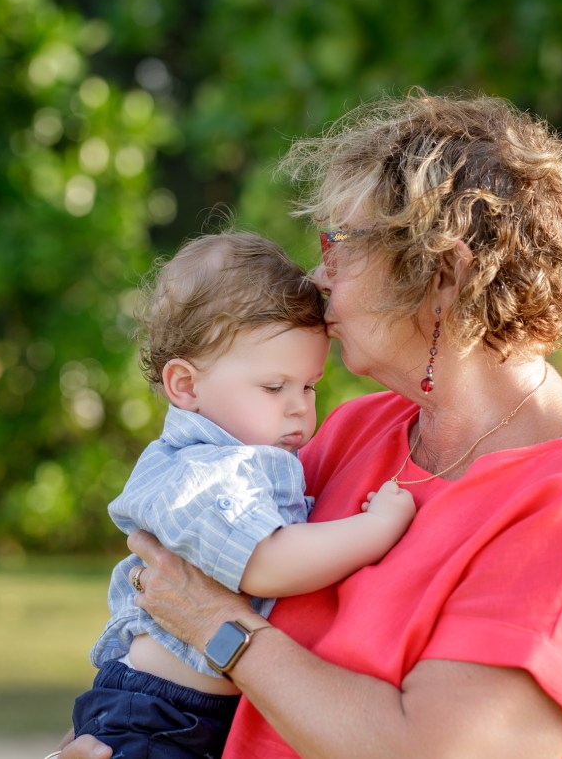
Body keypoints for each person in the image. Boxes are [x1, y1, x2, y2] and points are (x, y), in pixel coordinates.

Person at [57, 91, 562, 759]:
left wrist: (223, 629)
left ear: (444, 274)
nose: (317, 275)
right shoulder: (357, 430)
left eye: (341, 245)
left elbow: (426, 750)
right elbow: (166, 618)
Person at [68, 231, 417, 759]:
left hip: (199, 714)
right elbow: (264, 562)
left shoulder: (255, 458)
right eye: (275, 387)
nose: (299, 407)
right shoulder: (203, 472)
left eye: (310, 385)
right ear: (185, 386)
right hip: (157, 714)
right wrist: (374, 530)